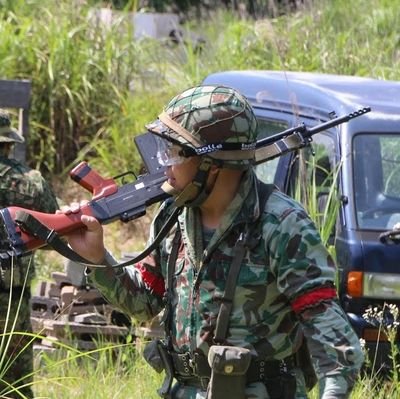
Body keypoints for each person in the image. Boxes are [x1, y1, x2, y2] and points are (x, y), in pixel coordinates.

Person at [62, 85, 363, 398]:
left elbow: (337, 347)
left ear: (212, 163)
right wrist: (97, 259)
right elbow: (145, 302)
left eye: (174, 152)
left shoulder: (281, 224)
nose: (163, 164)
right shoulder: (173, 215)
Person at [0, 110, 59, 398]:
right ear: (9, 144)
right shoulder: (32, 181)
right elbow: (53, 234)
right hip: (11, 296)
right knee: (14, 382)